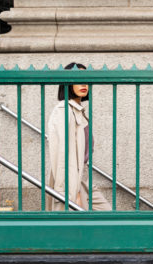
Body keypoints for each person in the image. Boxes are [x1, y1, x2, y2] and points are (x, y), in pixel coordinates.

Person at [47, 62, 111, 211]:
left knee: (107, 213)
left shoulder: (78, 111)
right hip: (72, 182)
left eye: (86, 79)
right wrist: (70, 193)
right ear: (67, 83)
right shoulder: (63, 111)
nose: (84, 83)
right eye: (78, 79)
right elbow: (62, 157)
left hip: (82, 180)